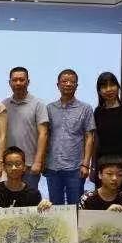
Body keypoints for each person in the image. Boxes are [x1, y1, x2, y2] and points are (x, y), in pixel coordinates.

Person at [45, 69, 96, 205]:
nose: (68, 84)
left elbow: (89, 137)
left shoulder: (85, 108)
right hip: (53, 167)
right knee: (55, 207)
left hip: (76, 168)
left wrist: (86, 164)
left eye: (71, 82)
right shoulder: (49, 108)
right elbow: (45, 136)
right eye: (64, 81)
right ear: (58, 85)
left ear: (76, 85)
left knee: (75, 206)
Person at [93, 72, 122, 197]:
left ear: (118, 87)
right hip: (103, 161)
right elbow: (96, 140)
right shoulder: (98, 112)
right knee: (103, 198)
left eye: (112, 85)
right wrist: (93, 165)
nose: (109, 89)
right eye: (104, 86)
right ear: (99, 91)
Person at [2, 66, 49, 191]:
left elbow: (43, 134)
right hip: (9, 166)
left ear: (28, 82)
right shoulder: (3, 105)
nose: (18, 83)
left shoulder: (38, 104)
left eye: (21, 80)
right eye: (14, 80)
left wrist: (38, 161)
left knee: (29, 200)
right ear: (10, 82)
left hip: (30, 166)